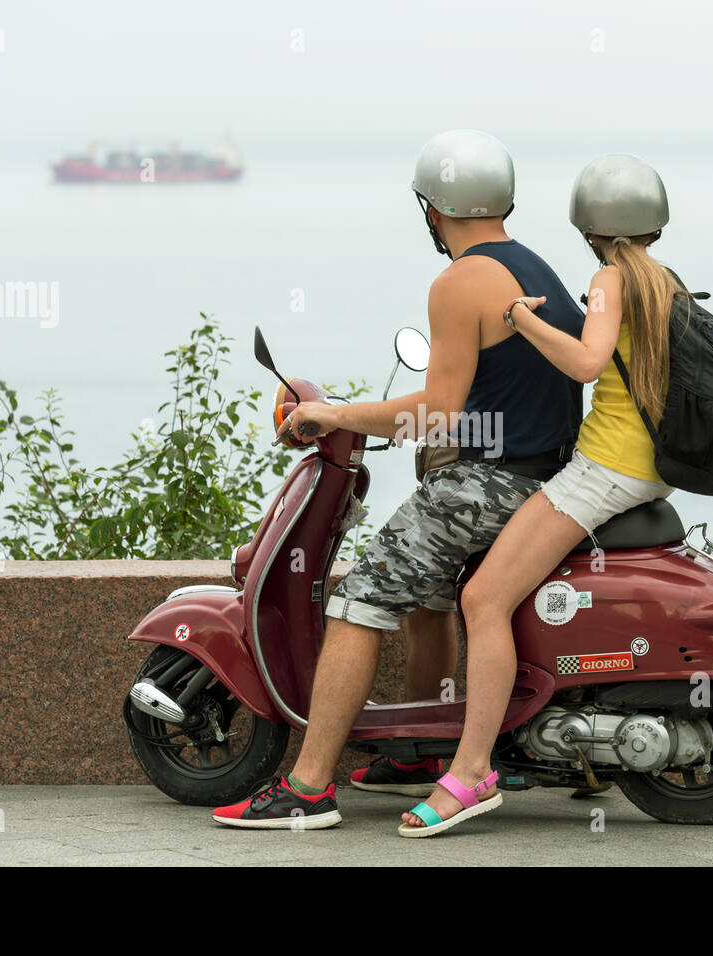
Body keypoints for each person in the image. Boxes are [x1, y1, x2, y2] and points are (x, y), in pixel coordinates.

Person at [211, 129, 585, 829]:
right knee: (426, 594)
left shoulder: (458, 281)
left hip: (489, 485)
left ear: (432, 209)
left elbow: (439, 412)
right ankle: (417, 752)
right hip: (546, 480)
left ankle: (309, 787)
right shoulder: (536, 269)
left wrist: (335, 414)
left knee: (360, 598)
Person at [398, 153, 679, 836]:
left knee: (482, 598)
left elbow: (585, 362)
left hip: (604, 469)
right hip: (649, 467)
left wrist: (520, 319)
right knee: (511, 582)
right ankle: (552, 743)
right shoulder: (667, 282)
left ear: (589, 224)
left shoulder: (610, 279)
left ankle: (469, 773)